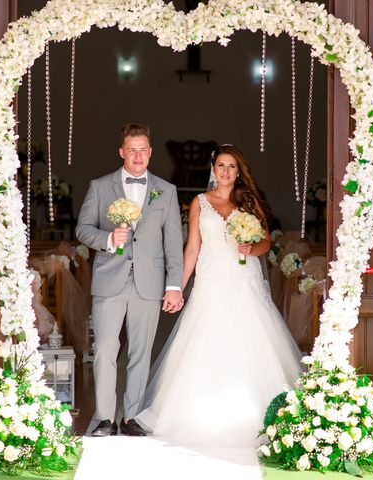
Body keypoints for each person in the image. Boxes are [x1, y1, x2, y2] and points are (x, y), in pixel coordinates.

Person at [136, 144, 302, 447]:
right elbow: (192, 248)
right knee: (203, 343)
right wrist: (177, 287)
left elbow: (266, 241)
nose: (226, 172)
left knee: (250, 341)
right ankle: (196, 417)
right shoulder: (200, 202)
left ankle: (256, 417)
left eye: (232, 167)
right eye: (221, 166)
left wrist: (251, 248)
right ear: (213, 168)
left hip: (243, 281)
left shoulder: (248, 200)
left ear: (239, 172)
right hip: (211, 282)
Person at [76, 124, 184, 437]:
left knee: (140, 351)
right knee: (106, 350)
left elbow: (173, 244)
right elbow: (83, 230)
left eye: (143, 149)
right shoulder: (100, 186)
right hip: (110, 280)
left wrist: (173, 285)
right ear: (122, 152)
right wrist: (108, 238)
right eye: (131, 150)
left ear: (150, 152)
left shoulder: (166, 190)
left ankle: (132, 417)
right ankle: (105, 418)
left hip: (148, 283)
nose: (137, 156)